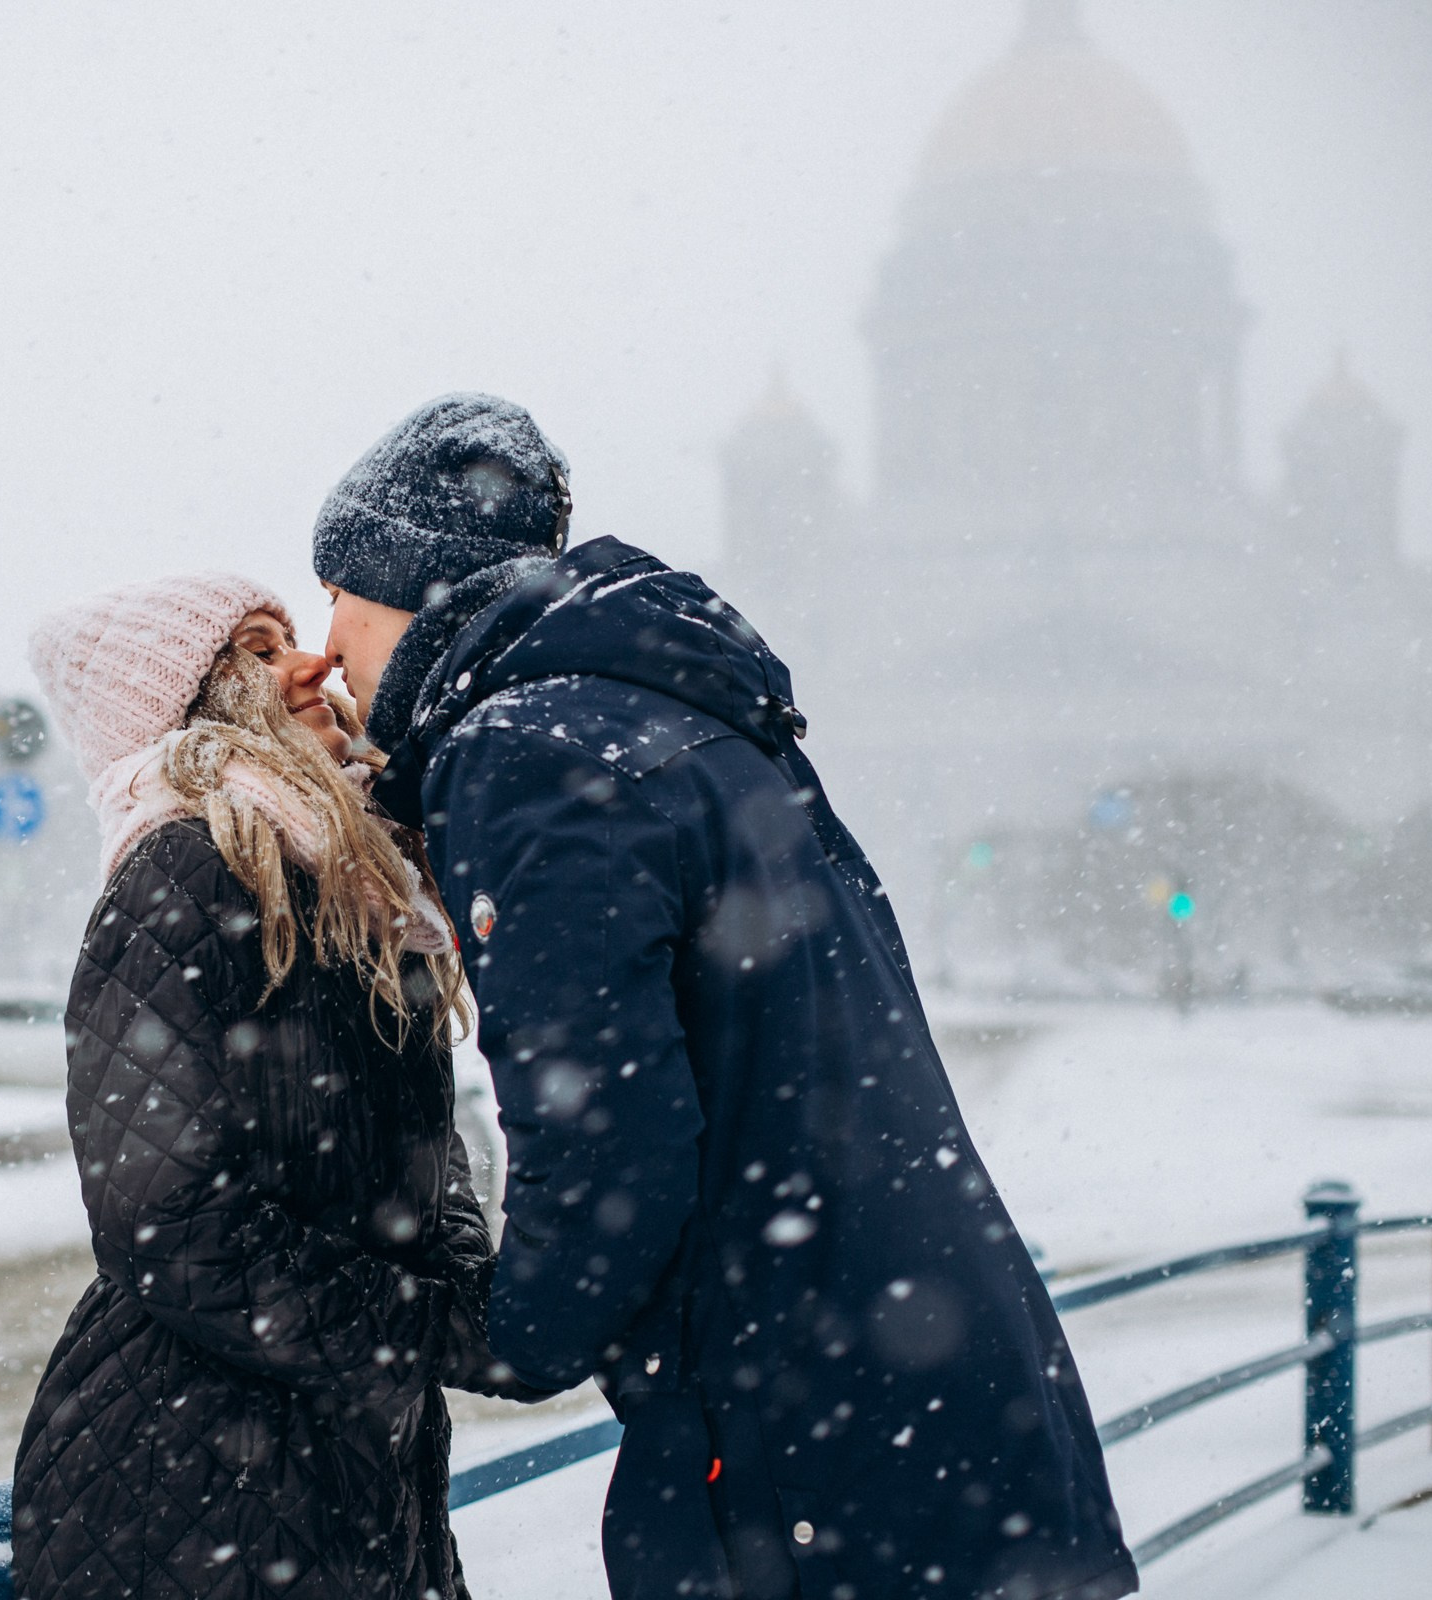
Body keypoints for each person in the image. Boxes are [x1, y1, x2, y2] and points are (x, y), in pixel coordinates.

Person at [309, 395, 1139, 1600]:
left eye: (335, 594)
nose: (326, 649)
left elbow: (606, 1135)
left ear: (406, 585)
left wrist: (486, 1331)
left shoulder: (523, 749)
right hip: (941, 1418)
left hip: (794, 1454)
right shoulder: (683, 717)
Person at [11, 572, 516, 1600]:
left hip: (335, 1458)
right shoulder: (187, 869)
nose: (312, 664)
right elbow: (171, 1222)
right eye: (256, 647)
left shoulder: (353, 885)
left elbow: (421, 1154)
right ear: (192, 704)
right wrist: (426, 1327)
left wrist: (491, 1310)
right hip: (196, 1476)